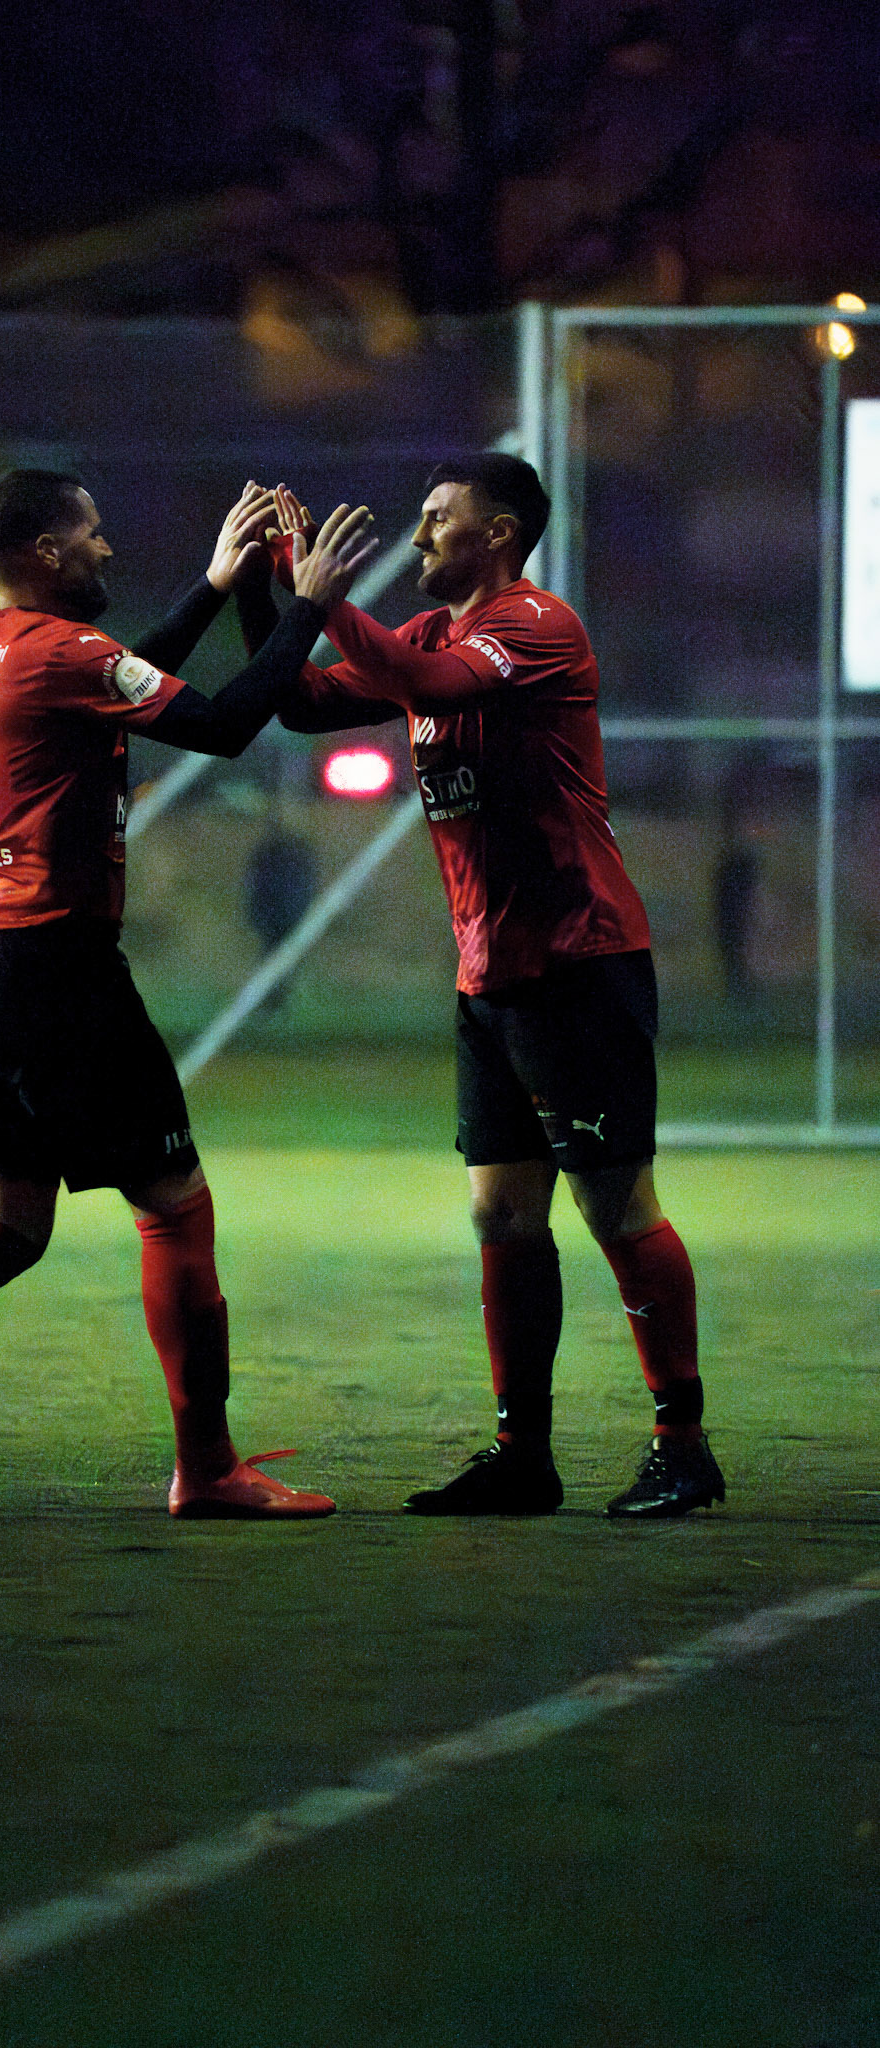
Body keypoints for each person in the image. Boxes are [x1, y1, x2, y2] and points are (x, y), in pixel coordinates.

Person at [0, 471, 376, 1521]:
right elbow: (231, 721)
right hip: (60, 975)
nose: (108, 549)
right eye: (94, 534)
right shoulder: (65, 654)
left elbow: (116, 677)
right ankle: (207, 1469)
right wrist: (313, 605)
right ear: (49, 554)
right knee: (177, 1210)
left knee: (11, 1227)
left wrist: (209, 587)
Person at [246, 454, 722, 1519]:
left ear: (497, 533)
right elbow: (302, 702)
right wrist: (268, 594)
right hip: (490, 973)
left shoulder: (534, 626)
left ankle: (682, 1442)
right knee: (502, 1211)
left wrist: (318, 596)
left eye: (435, 520)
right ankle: (524, 1455)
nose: (418, 537)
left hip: (578, 961)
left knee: (614, 1202)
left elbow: (432, 688)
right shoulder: (423, 634)